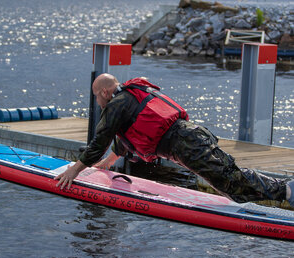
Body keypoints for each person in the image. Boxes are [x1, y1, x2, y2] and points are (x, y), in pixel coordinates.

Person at [55, 73, 294, 206]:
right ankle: (283, 195)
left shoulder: (116, 104)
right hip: (187, 139)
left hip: (185, 142)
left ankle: (286, 190)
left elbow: (99, 142)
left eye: (97, 96)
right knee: (231, 188)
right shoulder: (130, 98)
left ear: (105, 92)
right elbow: (126, 138)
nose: (97, 101)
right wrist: (109, 162)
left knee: (231, 180)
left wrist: (73, 171)